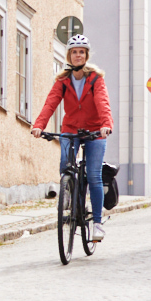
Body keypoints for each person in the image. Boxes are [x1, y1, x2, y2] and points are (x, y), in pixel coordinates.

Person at [33, 35, 114, 245]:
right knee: (66, 164)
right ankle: (67, 193)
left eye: (81, 52)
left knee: (94, 175)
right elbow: (50, 103)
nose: (78, 55)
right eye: (74, 52)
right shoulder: (63, 80)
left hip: (95, 130)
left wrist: (106, 124)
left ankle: (97, 223)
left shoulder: (95, 78)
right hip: (71, 129)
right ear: (69, 55)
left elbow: (102, 102)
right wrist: (39, 125)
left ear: (86, 55)